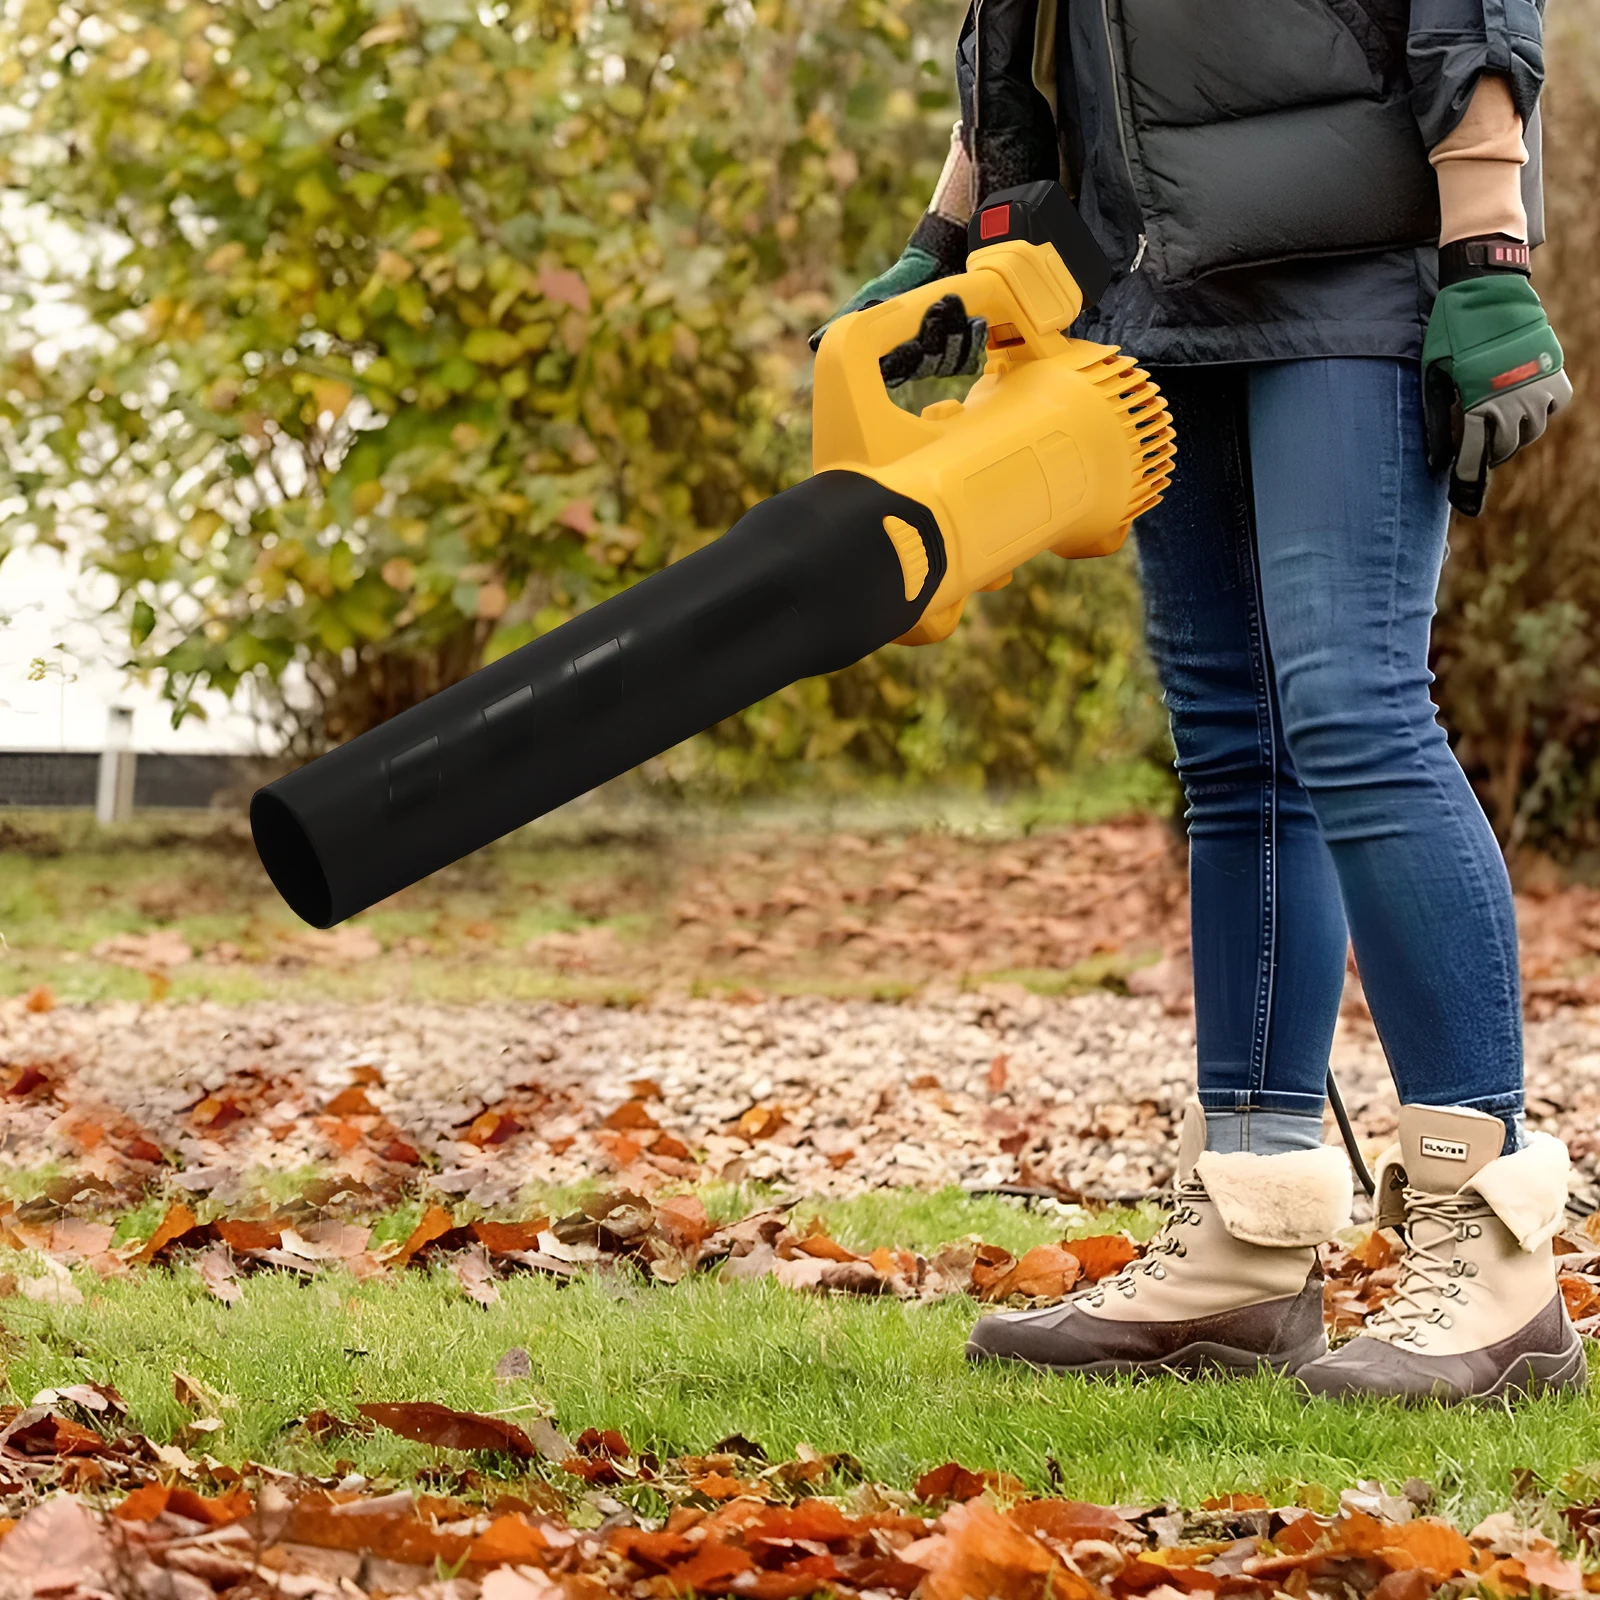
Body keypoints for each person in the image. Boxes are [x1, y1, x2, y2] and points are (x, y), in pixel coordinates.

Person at [814, 0, 1580, 1402]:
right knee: (1236, 750)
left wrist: (1486, 243)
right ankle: (1249, 1234)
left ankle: (1499, 1257)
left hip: (1348, 261)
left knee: (1353, 709)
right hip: (1144, 282)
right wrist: (949, 231)